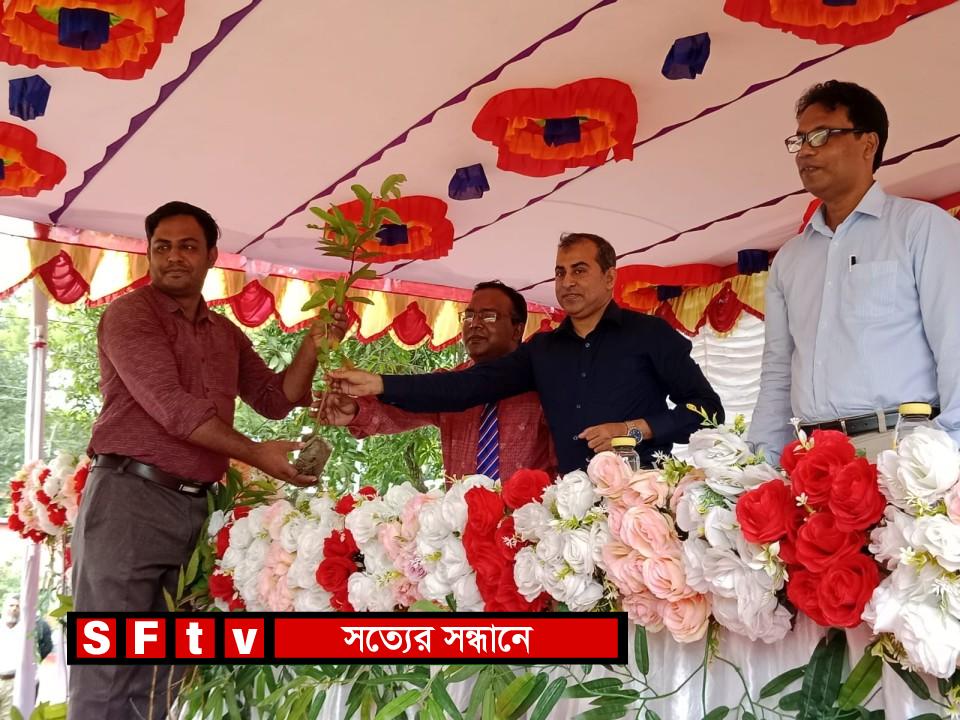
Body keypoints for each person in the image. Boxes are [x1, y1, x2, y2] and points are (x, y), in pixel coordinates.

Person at [69, 201, 325, 720]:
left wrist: (314, 343)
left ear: (211, 256)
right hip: (128, 500)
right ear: (148, 254)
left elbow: (275, 399)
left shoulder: (223, 333)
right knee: (108, 663)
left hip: (196, 508)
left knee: (167, 670)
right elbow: (173, 408)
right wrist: (256, 454)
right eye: (161, 247)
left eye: (187, 246)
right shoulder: (130, 315)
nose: (173, 257)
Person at [327, 233, 724, 473]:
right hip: (568, 515)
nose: (567, 282)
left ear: (609, 278)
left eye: (580, 270)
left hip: (642, 501)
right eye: (560, 272)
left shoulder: (649, 334)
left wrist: (633, 429)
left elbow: (708, 410)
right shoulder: (543, 351)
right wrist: (379, 383)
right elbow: (465, 387)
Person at [748, 80, 960, 462]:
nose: (805, 151)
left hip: (902, 450)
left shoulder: (921, 227)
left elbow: (955, 340)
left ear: (868, 143)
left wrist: (948, 451)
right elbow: (778, 370)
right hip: (812, 457)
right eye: (799, 140)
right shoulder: (790, 259)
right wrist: (761, 462)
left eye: (821, 135)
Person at [314, 281, 557, 480]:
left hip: (532, 521)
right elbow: (399, 412)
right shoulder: (446, 385)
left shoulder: (543, 379)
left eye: (488, 316)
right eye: (469, 316)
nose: (474, 324)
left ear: (517, 330)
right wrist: (354, 410)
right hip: (462, 520)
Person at [0, 594, 22, 720]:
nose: (14, 609)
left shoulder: (24, 631)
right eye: (11, 605)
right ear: (4, 608)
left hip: (12, 683)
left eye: (17, 606)